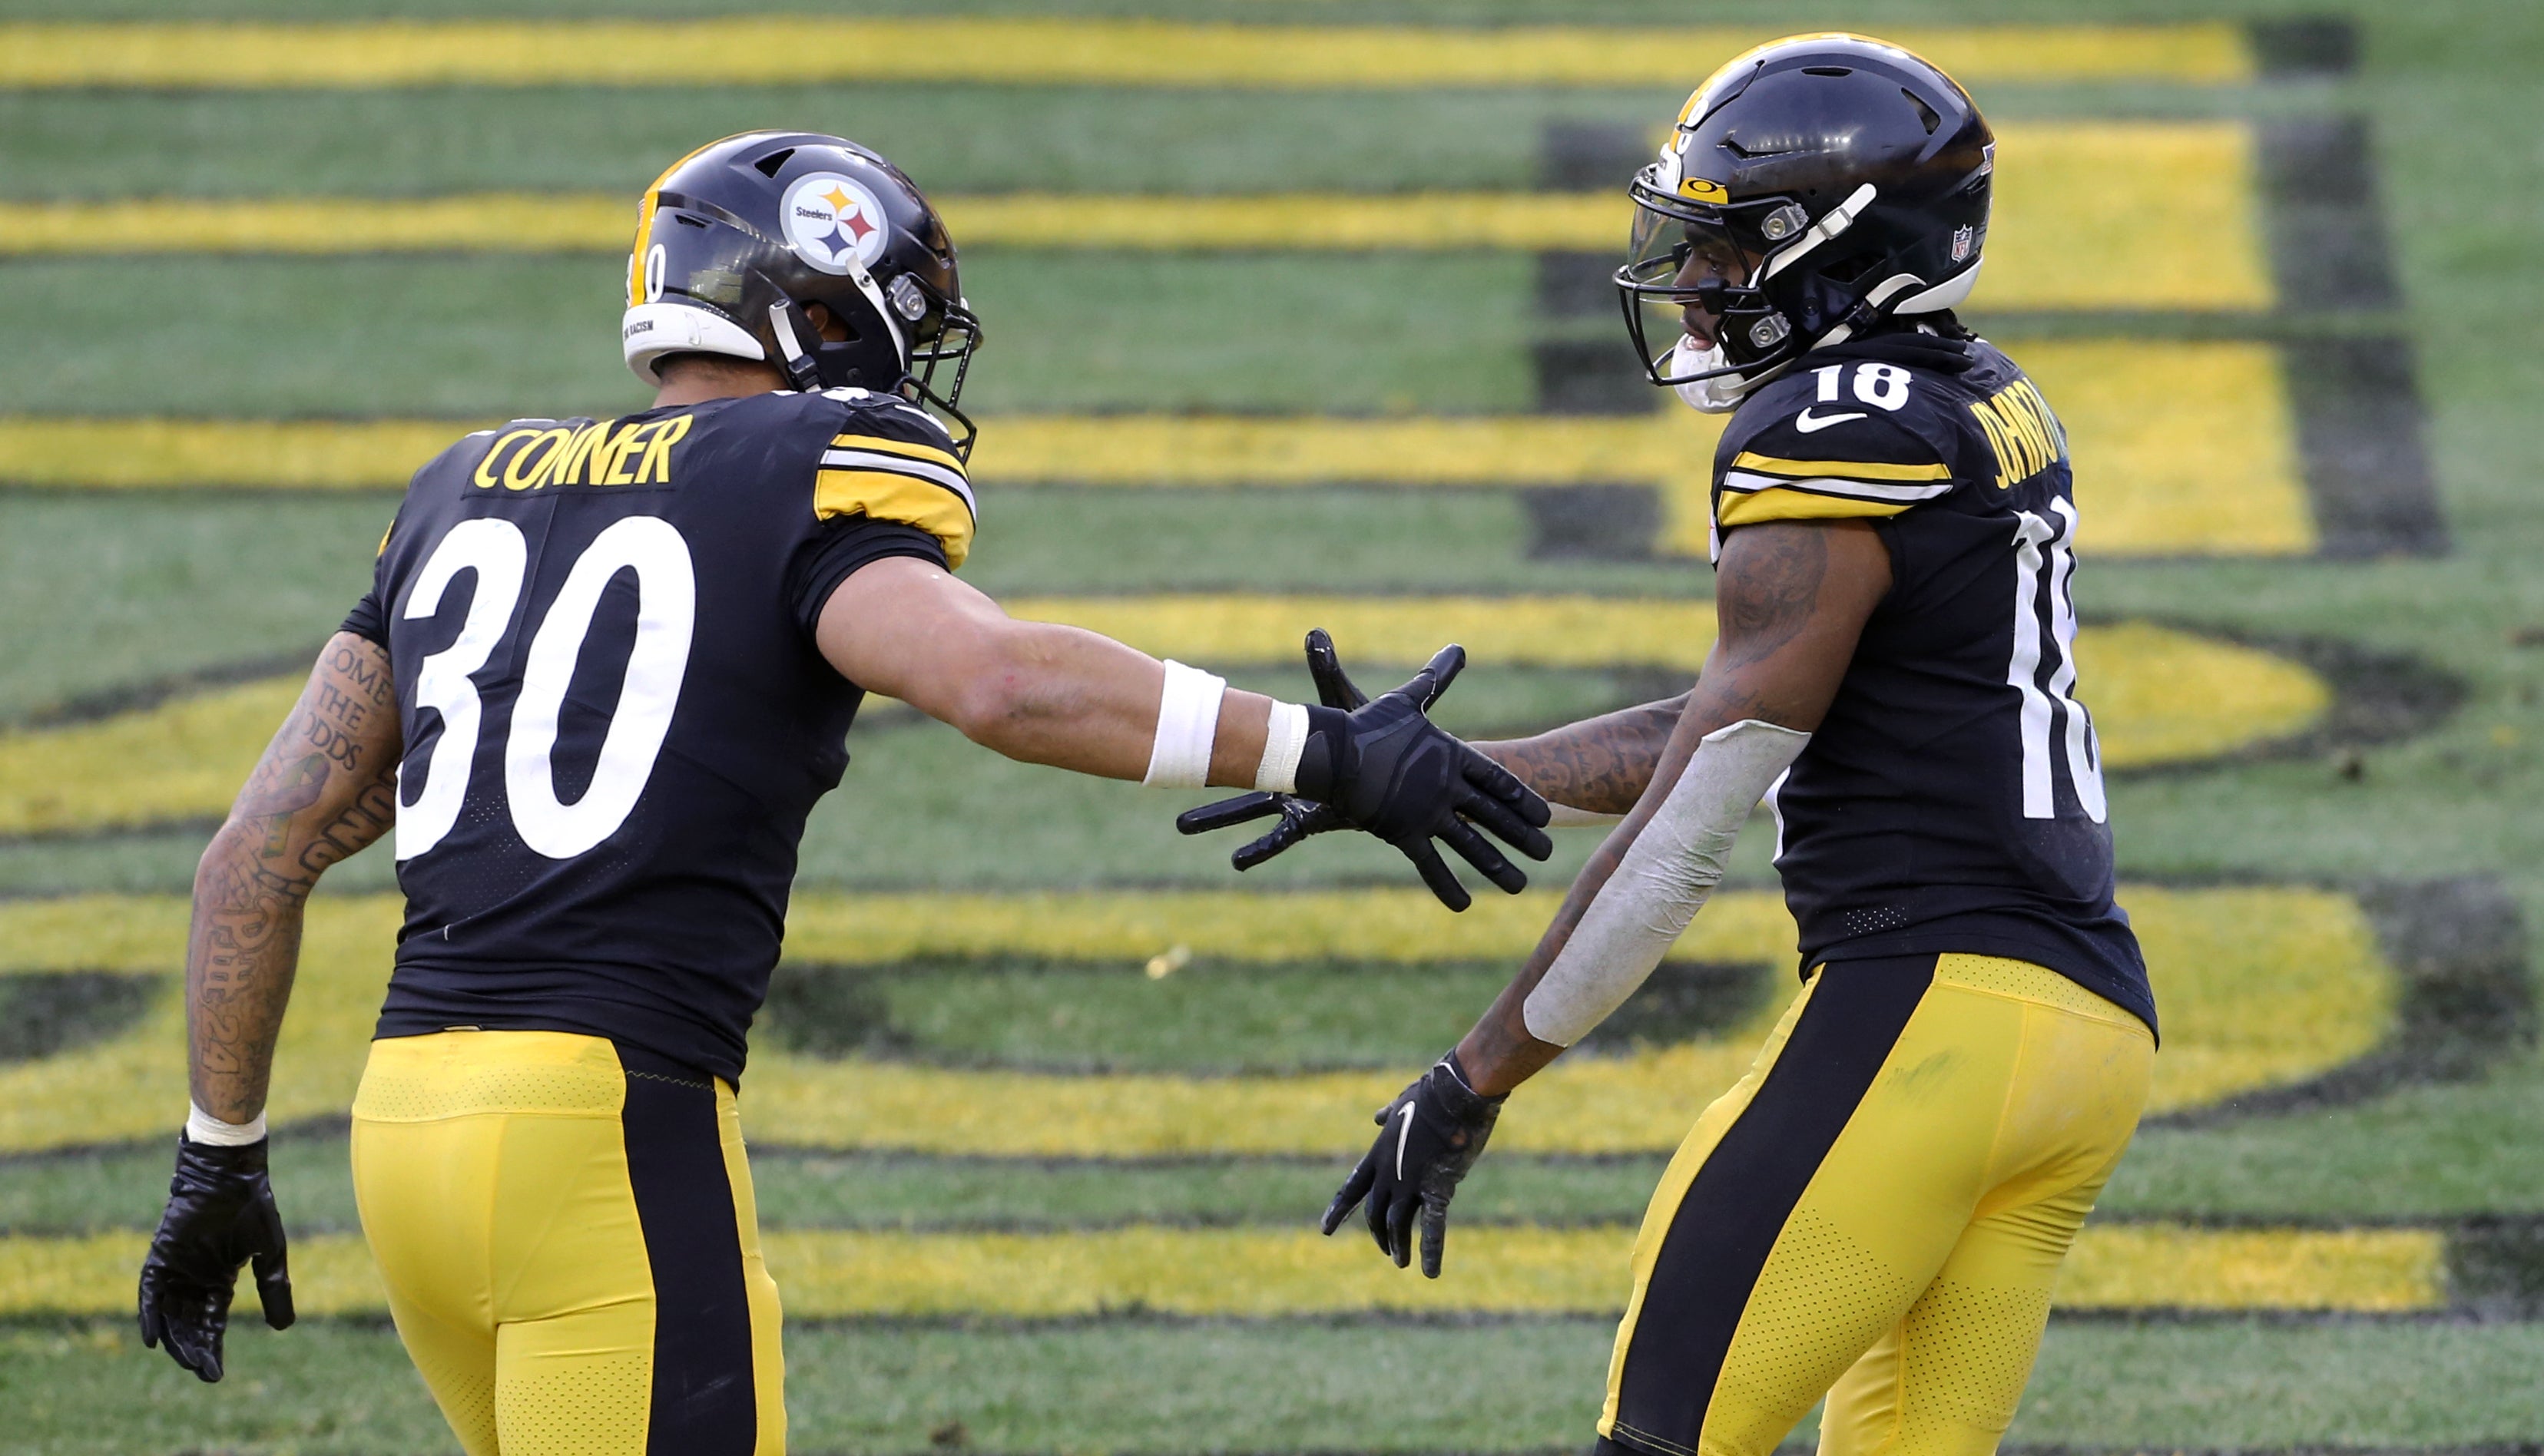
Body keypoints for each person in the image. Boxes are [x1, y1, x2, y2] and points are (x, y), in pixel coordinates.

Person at [133, 131, 1550, 1455]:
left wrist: (219, 1153)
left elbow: (253, 855)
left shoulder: (462, 485)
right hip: (601, 1129)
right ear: (817, 315)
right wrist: (1325, 751)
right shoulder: (798, 469)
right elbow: (1000, 683)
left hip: (408, 1136)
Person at [1194, 35, 2157, 1456]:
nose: (1696, 284)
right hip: (2082, 1030)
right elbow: (1734, 712)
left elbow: (1706, 805)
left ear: (1836, 250)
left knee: (1659, 1443)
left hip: (1929, 1013)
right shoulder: (1972, 392)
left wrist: (1472, 1080)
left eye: (1728, 248)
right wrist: (1457, 774)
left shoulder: (1828, 427)